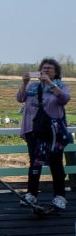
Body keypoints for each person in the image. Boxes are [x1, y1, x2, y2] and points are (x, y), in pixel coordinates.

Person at [16, 58, 71, 210]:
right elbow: (20, 98)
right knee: (35, 162)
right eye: (43, 68)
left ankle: (60, 197)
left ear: (56, 72)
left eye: (49, 69)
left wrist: (50, 84)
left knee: (56, 163)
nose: (46, 71)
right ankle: (31, 194)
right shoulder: (33, 86)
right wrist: (25, 82)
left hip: (53, 133)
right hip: (33, 130)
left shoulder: (60, 86)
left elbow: (65, 99)